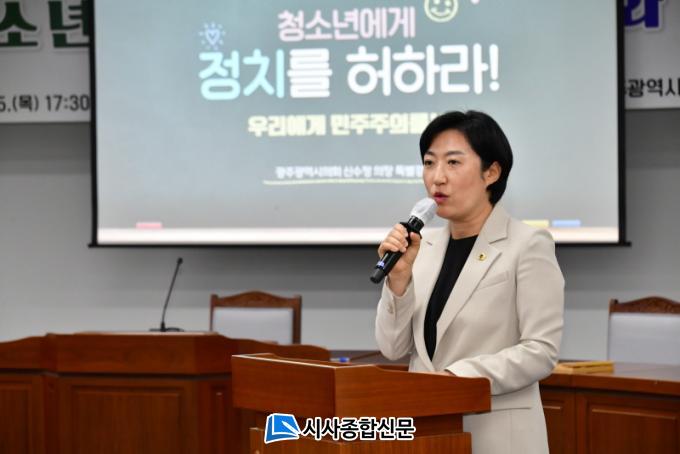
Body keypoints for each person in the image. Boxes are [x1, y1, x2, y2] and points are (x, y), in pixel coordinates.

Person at [375, 110, 564, 454]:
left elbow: (541, 351)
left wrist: (455, 379)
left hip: (496, 436)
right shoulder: (423, 247)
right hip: (429, 433)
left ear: (491, 172)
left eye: (453, 162)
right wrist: (398, 282)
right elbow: (392, 348)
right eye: (429, 163)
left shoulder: (527, 244)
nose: (437, 178)